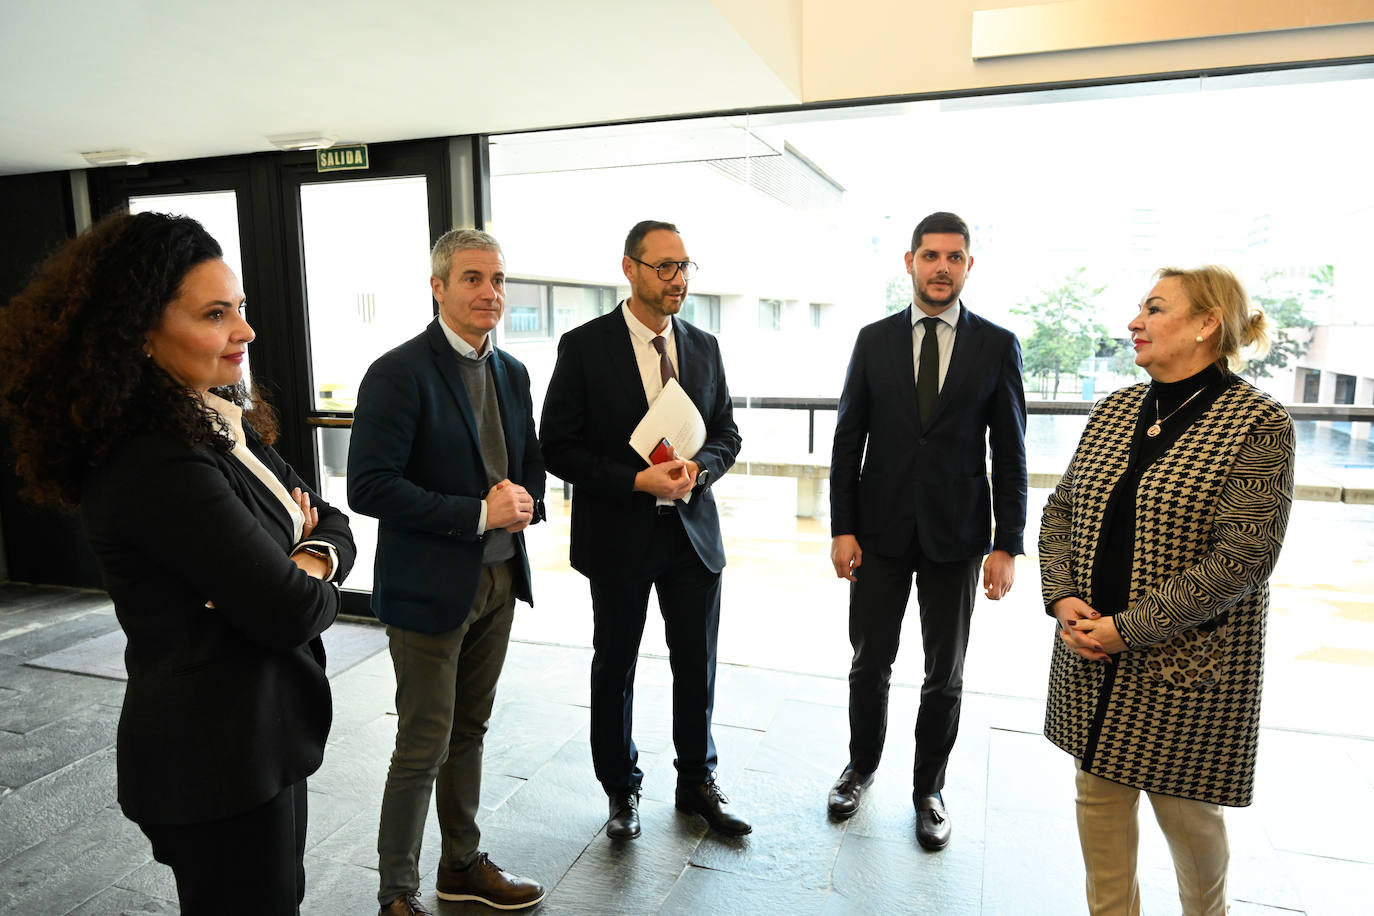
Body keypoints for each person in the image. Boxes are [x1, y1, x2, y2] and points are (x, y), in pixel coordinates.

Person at [0, 211, 355, 914]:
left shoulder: (214, 419)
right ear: (138, 332)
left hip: (262, 740)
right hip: (214, 760)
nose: (245, 332)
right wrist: (305, 572)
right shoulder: (153, 457)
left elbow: (334, 523)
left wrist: (304, 557)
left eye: (241, 309)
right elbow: (287, 611)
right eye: (216, 314)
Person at [1040, 265, 1294, 915]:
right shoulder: (1116, 408)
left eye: (1155, 309)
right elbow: (1062, 511)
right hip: (1088, 650)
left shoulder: (1257, 422)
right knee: (1097, 797)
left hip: (1187, 665)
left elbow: (1242, 559)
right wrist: (1064, 597)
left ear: (1208, 324)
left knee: (1187, 815)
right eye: (1139, 309)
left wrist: (1129, 628)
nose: (1135, 322)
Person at [348, 228, 546, 916]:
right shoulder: (398, 372)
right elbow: (368, 487)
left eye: (497, 279)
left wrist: (528, 504)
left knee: (470, 732)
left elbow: (526, 464)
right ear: (437, 287)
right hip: (430, 590)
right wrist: (476, 513)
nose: (490, 292)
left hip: (497, 584)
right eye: (472, 279)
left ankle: (460, 865)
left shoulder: (512, 371)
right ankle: (395, 891)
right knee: (423, 742)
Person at [540, 220, 749, 840]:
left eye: (685, 266)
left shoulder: (705, 346)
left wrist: (700, 469)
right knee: (617, 668)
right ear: (629, 268)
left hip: (692, 537)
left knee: (698, 665)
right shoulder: (584, 347)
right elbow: (557, 447)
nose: (678, 279)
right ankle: (620, 791)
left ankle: (697, 784)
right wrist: (637, 482)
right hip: (620, 536)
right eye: (664, 267)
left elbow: (728, 435)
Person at [827, 211, 1027, 849]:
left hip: (958, 537)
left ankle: (929, 790)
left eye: (955, 257)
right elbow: (846, 441)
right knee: (869, 663)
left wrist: (1007, 544)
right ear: (909, 262)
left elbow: (1011, 452)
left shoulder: (997, 346)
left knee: (946, 672)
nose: (942, 267)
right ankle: (859, 768)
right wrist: (843, 527)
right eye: (931, 256)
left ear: (969, 266)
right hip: (879, 533)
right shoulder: (873, 339)